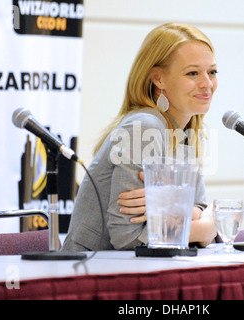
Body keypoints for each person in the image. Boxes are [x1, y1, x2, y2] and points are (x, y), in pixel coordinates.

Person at [62, 22, 218, 251]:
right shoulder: (144, 127)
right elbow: (128, 238)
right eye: (192, 73)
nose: (207, 84)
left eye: (212, 72)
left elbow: (200, 207)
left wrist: (179, 209)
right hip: (91, 275)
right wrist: (206, 228)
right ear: (158, 78)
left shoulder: (190, 131)